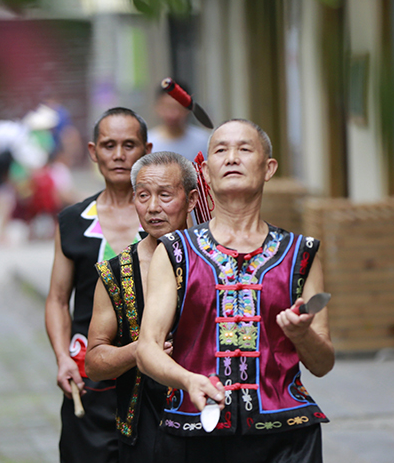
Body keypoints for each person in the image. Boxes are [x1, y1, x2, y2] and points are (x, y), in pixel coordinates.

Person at [137, 119, 333, 462]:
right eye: (220, 150)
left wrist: (302, 335)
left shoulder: (301, 254)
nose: (232, 157)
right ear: (206, 172)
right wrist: (187, 381)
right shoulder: (175, 251)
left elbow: (322, 363)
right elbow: (147, 349)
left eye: (244, 149)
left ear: (268, 168)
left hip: (286, 437)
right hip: (195, 432)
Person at [45, 107, 151, 463]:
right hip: (88, 381)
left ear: (146, 150)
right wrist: (62, 358)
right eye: (108, 145)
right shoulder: (72, 222)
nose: (119, 155)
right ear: (93, 152)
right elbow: (58, 300)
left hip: (155, 379)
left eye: (129, 144)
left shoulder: (167, 219)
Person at [85, 151, 198, 463]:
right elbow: (93, 362)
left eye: (164, 195)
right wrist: (141, 350)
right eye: (143, 196)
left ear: (191, 200)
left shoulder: (216, 261)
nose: (152, 208)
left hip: (212, 419)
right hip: (145, 425)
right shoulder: (114, 273)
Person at [147, 81, 211, 160]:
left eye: (177, 107)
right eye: (167, 107)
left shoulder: (203, 141)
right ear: (157, 107)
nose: (171, 114)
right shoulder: (148, 143)